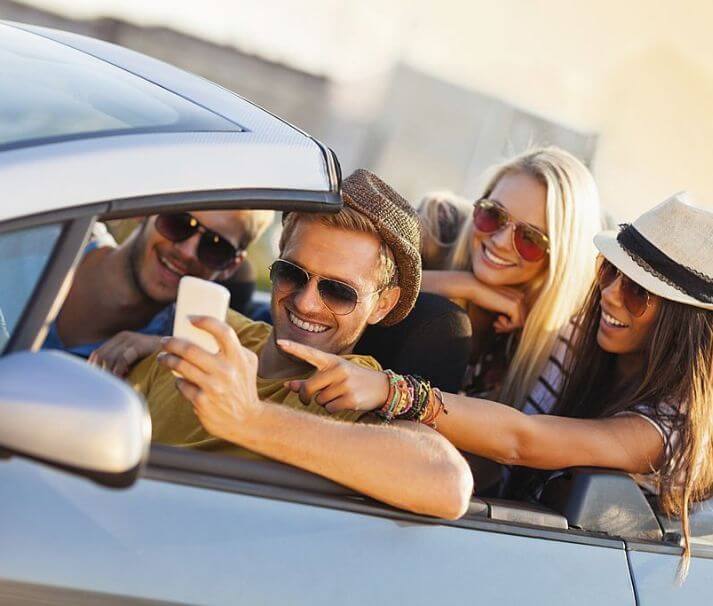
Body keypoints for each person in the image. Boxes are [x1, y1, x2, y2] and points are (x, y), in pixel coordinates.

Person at [283, 193, 713, 576]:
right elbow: (368, 288)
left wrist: (391, 390)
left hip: (555, 572)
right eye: (608, 272)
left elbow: (520, 440)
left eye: (639, 292)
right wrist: (461, 285)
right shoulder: (587, 336)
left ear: (684, 326)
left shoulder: (669, 429)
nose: (611, 295)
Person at [129, 169, 473, 520]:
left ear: (382, 304)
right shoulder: (217, 329)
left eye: (339, 292)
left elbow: (448, 483)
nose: (306, 303)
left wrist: (250, 418)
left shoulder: (355, 391)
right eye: (292, 273)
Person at [418, 147, 602, 405]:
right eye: (493, 214)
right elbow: (362, 288)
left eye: (530, 238)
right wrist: (465, 286)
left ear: (560, 258)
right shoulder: (437, 227)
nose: (501, 242)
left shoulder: (546, 336)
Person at [43, 209, 274, 376]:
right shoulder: (45, 237)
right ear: (144, 211)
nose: (187, 252)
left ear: (231, 266)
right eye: (179, 223)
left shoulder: (170, 352)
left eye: (215, 246)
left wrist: (165, 348)